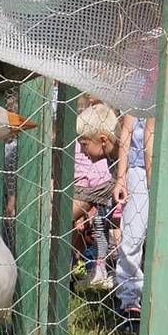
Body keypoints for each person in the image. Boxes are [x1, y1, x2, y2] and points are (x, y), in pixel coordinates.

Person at [111, 113, 150, 333]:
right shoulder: (142, 84)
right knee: (133, 236)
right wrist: (121, 177)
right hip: (139, 168)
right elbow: (126, 130)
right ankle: (130, 301)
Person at [73, 97, 116, 289]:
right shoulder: (108, 162)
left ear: (103, 140)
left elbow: (85, 200)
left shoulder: (108, 171)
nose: (82, 151)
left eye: (84, 144)